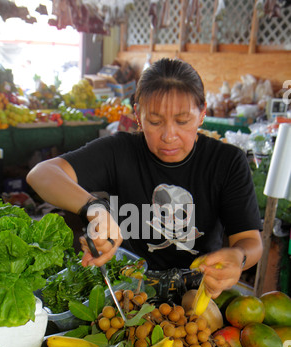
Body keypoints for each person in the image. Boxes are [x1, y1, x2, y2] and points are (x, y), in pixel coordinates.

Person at [26, 58, 263, 301]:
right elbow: (41, 174)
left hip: (198, 298)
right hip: (127, 295)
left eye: (182, 121)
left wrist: (239, 256)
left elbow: (250, 240)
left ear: (202, 114)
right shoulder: (119, 152)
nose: (169, 136)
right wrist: (95, 209)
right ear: (138, 115)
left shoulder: (226, 162)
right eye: (155, 121)